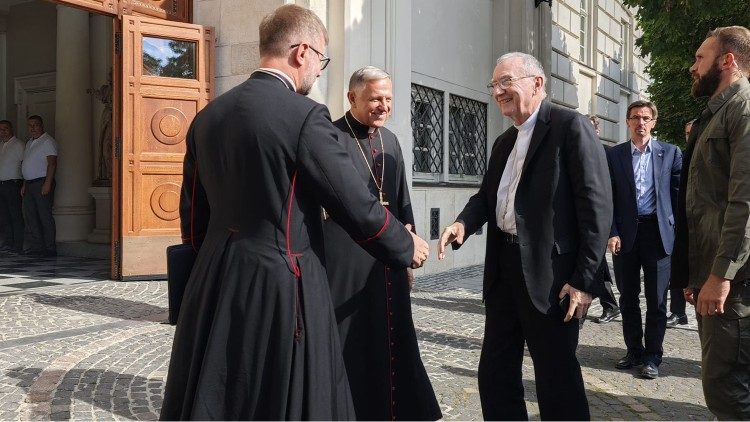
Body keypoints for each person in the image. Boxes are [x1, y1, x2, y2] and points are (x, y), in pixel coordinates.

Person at [159, 5, 430, 420]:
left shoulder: (208, 117)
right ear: (302, 52)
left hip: (214, 278)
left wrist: (206, 267)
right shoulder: (305, 116)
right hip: (282, 282)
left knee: (225, 391)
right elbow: (354, 203)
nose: (320, 70)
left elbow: (193, 218)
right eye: (322, 59)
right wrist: (402, 245)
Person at [438, 52, 612, 420]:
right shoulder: (505, 141)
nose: (498, 91)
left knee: (556, 378)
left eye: (506, 82)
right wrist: (462, 225)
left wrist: (584, 280)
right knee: (495, 372)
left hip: (552, 279)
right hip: (503, 271)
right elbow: (486, 198)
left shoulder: (570, 127)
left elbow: (596, 211)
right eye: (494, 84)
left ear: (537, 83)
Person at [323, 66, 441, 421]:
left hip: (387, 259)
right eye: (375, 98)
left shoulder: (390, 140)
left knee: (392, 334)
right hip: (346, 258)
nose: (383, 106)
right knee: (351, 339)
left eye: (388, 99)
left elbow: (402, 202)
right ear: (352, 97)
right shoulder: (331, 137)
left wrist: (405, 256)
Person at [672, 25, 750, 420]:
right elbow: (702, 202)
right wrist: (696, 275)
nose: (692, 66)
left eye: (700, 58)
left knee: (726, 388)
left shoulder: (743, 110)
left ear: (728, 61)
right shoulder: (715, 114)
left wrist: (720, 276)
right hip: (716, 276)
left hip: (734, 284)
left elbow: (745, 204)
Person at [607, 100, 682, 380]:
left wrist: (677, 234)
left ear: (654, 122)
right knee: (627, 297)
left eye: (646, 118)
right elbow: (608, 198)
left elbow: (678, 198)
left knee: (657, 300)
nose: (641, 123)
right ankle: (634, 350)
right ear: (627, 121)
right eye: (635, 117)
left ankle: (653, 356)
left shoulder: (671, 153)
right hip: (625, 236)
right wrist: (611, 231)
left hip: (658, 234)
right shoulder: (614, 156)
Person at [588, 114, 621, 324]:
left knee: (596, 263)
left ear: (597, 131)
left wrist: (612, 230)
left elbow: (615, 192)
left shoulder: (608, 153)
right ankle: (609, 305)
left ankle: (610, 305)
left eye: (590, 128)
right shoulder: (572, 150)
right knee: (595, 264)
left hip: (601, 219)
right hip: (582, 219)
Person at [666, 119, 694, 329]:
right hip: (680, 221)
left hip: (702, 222)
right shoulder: (681, 158)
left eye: (692, 132)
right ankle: (678, 311)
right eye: (686, 133)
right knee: (677, 266)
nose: (689, 136)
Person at [21, 115, 57, 257]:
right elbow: (26, 164)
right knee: (31, 217)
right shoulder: (29, 142)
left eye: (35, 125)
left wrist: (47, 183)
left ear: (41, 125)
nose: (33, 128)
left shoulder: (47, 141)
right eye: (30, 126)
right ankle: (38, 246)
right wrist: (24, 183)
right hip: (29, 184)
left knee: (44, 216)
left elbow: (52, 163)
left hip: (41, 183)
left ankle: (49, 248)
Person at [0, 120, 25, 254]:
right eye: (0, 129)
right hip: (2, 184)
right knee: (4, 216)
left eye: (5, 128)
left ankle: (18, 245)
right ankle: (8, 243)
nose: (2, 131)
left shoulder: (19, 145)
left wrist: (24, 184)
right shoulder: (1, 145)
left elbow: (25, 164)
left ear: (11, 129)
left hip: (14, 184)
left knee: (15, 215)